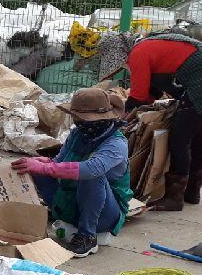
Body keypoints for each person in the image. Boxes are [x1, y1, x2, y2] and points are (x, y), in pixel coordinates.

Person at [11, 87, 133, 258]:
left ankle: (87, 236)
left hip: (103, 216)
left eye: (82, 118)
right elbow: (59, 163)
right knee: (30, 167)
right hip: (71, 202)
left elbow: (91, 169)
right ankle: (5, 216)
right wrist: (41, 164)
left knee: (91, 174)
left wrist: (46, 167)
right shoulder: (77, 134)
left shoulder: (117, 144)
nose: (77, 121)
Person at [121, 33, 202, 210]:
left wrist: (125, 118)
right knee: (198, 137)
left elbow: (138, 96)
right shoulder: (153, 44)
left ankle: (174, 198)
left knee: (179, 139)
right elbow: (158, 87)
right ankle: (192, 193)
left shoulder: (138, 53)